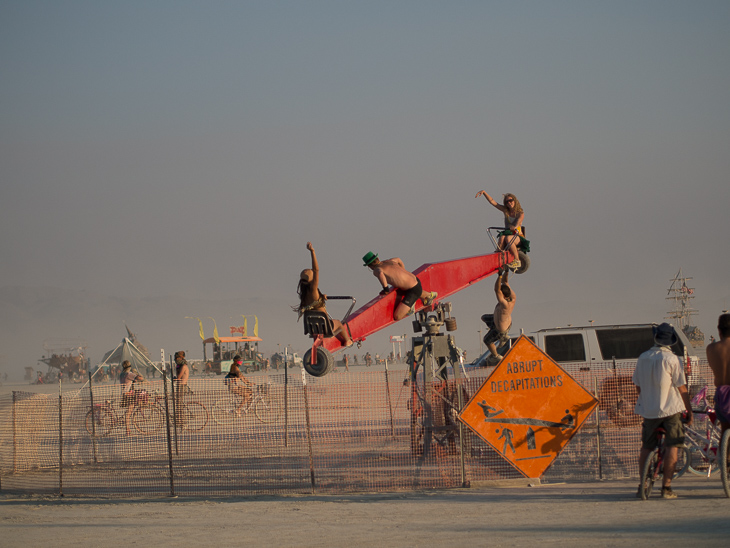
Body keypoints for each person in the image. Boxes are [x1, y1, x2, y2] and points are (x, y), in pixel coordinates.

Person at [633, 323, 693, 499]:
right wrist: (688, 410)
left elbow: (638, 385)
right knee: (673, 445)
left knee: (646, 446)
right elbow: (682, 388)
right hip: (671, 410)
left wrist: (646, 399)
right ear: (671, 340)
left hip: (649, 411)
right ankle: (666, 488)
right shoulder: (673, 359)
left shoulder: (642, 357)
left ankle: (642, 483)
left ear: (655, 337)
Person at [294, 242, 353, 347]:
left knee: (331, 322)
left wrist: (322, 297)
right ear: (311, 279)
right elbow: (316, 270)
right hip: (325, 326)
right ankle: (348, 341)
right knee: (339, 323)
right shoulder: (313, 289)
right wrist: (312, 252)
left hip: (313, 328)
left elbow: (315, 301)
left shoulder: (304, 295)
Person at [362, 252, 437, 321]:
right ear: (377, 258)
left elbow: (380, 274)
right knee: (413, 289)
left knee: (397, 316)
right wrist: (402, 270)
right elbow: (398, 259)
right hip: (416, 280)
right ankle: (429, 295)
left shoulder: (376, 270)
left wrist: (386, 289)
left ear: (369, 266)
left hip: (412, 290)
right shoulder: (388, 261)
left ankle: (411, 306)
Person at [475, 190, 526, 270]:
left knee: (508, 238)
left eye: (511, 200)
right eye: (507, 202)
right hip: (508, 234)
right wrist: (484, 193)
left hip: (517, 236)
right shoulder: (506, 211)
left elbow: (519, 221)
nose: (509, 203)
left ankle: (517, 260)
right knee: (502, 238)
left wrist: (514, 226)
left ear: (514, 201)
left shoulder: (520, 213)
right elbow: (493, 202)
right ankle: (498, 258)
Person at [481, 270, 516, 365]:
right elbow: (506, 282)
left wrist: (499, 275)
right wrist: (506, 271)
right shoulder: (512, 296)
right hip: (502, 322)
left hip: (501, 330)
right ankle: (495, 330)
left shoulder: (504, 304)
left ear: (503, 296)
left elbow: (497, 290)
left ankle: (496, 356)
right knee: (484, 317)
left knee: (487, 340)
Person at [706, 314, 730, 443]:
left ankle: (724, 460)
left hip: (721, 395)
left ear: (719, 330)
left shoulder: (711, 348)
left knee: (724, 431)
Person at [119, 360, 144, 435]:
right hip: (129, 395)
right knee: (128, 413)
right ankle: (127, 430)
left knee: (128, 412)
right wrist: (136, 374)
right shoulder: (129, 374)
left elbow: (129, 381)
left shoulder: (122, 374)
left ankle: (128, 429)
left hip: (124, 394)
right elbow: (140, 378)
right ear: (129, 367)